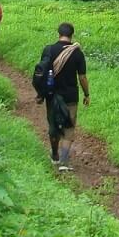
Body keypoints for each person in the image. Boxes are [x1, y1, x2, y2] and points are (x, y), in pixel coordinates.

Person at [39, 22, 90, 171]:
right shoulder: (77, 53)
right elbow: (82, 77)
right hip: (71, 96)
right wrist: (86, 94)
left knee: (53, 126)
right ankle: (64, 161)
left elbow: (42, 71)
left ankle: (55, 154)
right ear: (72, 34)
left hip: (52, 95)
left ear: (58, 33)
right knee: (69, 128)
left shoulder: (48, 50)